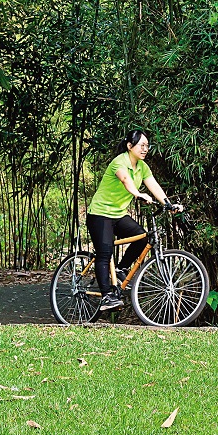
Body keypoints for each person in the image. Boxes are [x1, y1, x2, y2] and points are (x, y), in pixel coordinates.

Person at [85, 130, 181, 311]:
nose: (145, 149)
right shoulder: (119, 162)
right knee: (105, 253)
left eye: (147, 146)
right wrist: (137, 194)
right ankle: (106, 297)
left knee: (143, 237)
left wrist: (169, 204)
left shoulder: (142, 167)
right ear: (130, 146)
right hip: (100, 213)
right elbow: (125, 180)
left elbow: (154, 186)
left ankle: (121, 268)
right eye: (141, 145)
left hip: (118, 214)